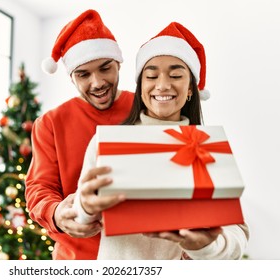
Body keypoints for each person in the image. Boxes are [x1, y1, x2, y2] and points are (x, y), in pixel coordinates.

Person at [73, 22, 249, 259]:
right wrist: (84, 207)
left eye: (176, 75)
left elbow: (236, 234)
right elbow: (80, 221)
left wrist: (205, 247)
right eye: (151, 76)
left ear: (190, 89)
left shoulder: (208, 147)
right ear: (141, 86)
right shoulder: (107, 144)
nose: (163, 85)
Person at [25, 9, 134, 260]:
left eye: (105, 68)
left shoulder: (145, 109)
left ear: (118, 64)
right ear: (71, 78)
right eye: (83, 74)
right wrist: (55, 213)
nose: (97, 83)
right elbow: (39, 188)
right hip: (76, 259)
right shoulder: (50, 123)